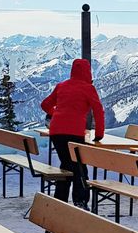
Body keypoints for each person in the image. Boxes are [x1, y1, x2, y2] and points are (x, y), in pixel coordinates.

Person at [41, 58, 105, 209]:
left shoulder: (62, 86)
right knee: (79, 168)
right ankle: (80, 201)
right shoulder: (88, 88)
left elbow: (45, 105)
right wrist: (99, 134)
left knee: (66, 165)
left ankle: (60, 200)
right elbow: (98, 111)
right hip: (75, 133)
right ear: (88, 72)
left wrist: (57, 114)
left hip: (56, 132)